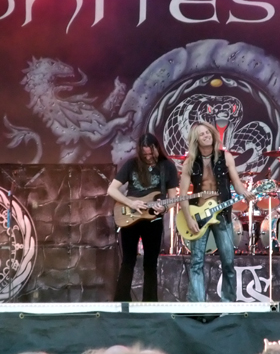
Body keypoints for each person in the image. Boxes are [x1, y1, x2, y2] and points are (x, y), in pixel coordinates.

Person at [179, 122, 254, 302]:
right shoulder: (190, 162)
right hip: (199, 217)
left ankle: (228, 302)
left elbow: (236, 182)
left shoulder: (225, 157)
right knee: (197, 262)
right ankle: (197, 305)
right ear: (196, 140)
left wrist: (245, 193)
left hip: (221, 214)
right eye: (202, 134)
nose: (206, 135)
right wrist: (189, 219)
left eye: (208, 132)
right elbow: (182, 195)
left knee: (228, 261)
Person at [108, 133, 179, 302]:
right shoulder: (131, 164)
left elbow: (172, 198)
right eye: (144, 154)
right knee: (128, 260)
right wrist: (130, 203)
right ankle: (122, 301)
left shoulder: (167, 166)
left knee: (150, 263)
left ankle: (150, 303)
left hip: (153, 219)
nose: (148, 157)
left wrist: (165, 207)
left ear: (157, 149)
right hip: (130, 216)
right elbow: (111, 189)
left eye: (151, 153)